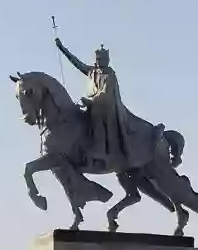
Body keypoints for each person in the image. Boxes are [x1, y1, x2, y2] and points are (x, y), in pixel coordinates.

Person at [54, 36, 147, 171]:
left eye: (103, 59)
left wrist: (90, 101)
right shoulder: (92, 71)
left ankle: (101, 152)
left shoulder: (110, 75)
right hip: (94, 105)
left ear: (107, 60)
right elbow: (77, 63)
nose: (101, 62)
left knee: (97, 118)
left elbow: (105, 93)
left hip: (108, 108)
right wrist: (62, 49)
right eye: (99, 60)